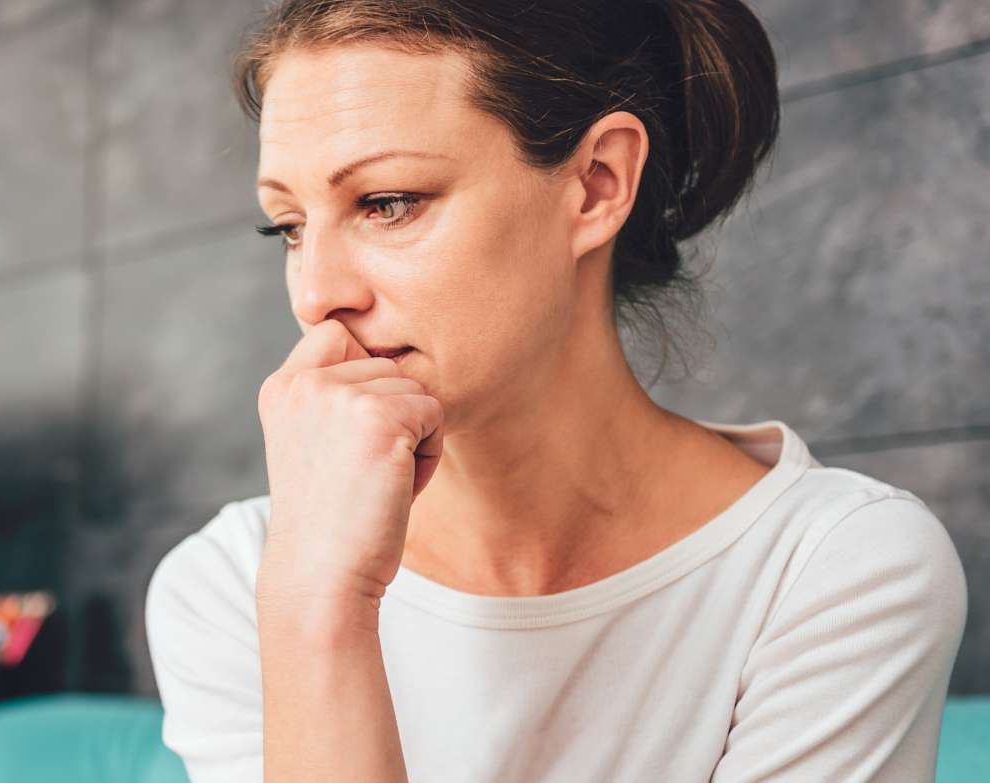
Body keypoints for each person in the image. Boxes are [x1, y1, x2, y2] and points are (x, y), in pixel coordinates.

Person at [145, 1, 969, 781]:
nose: (316, 294)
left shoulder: (837, 570)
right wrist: (319, 602)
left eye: (387, 202)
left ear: (598, 184)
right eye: (288, 227)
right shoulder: (236, 582)